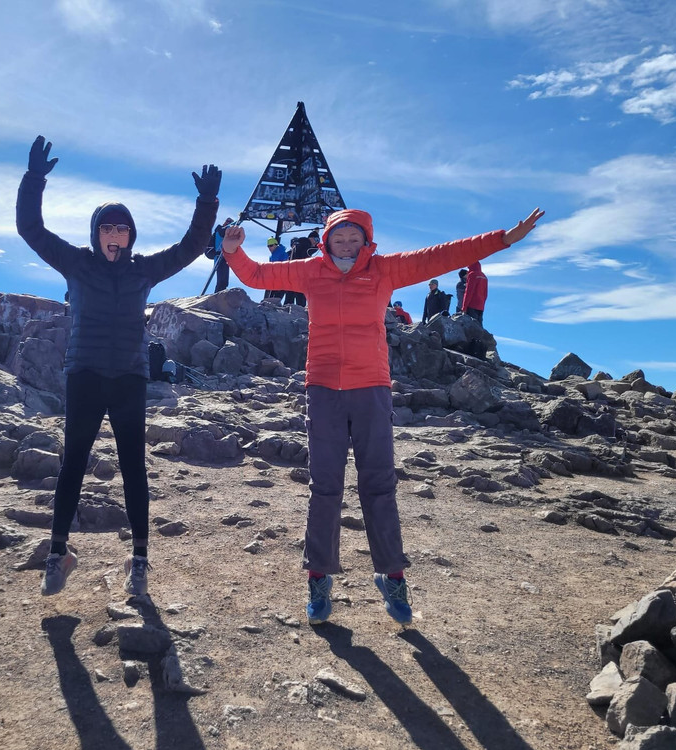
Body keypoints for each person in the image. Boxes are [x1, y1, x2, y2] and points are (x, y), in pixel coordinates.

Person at [220, 206, 544, 625]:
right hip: (323, 390)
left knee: (379, 486)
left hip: (371, 388)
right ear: (326, 240)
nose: (346, 245)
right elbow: (258, 275)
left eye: (354, 238)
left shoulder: (384, 270)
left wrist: (501, 239)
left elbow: (440, 256)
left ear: (366, 241)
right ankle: (318, 578)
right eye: (339, 238)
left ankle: (392, 577)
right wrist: (233, 252)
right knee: (325, 488)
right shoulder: (309, 270)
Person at [16, 135, 220, 597]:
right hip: (85, 374)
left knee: (133, 468)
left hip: (129, 377)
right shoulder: (75, 263)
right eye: (107, 228)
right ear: (96, 234)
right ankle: (58, 554)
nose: (115, 235)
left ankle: (139, 560)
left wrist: (207, 203)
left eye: (122, 229)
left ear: (131, 236)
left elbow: (190, 246)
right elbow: (31, 228)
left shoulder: (143, 270)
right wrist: (34, 179)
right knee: (72, 464)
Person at [205, 217, 235, 293]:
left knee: (224, 279)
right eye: (228, 221)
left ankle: (221, 292)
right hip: (219, 255)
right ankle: (218, 293)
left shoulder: (222, 230)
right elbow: (223, 233)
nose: (228, 223)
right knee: (221, 278)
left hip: (224, 256)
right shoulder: (220, 229)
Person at [263, 237, 289, 303]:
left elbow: (284, 267)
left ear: (276, 245)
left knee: (274, 300)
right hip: (275, 280)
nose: (269, 248)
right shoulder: (272, 256)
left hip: (281, 280)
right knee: (272, 300)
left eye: (271, 245)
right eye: (268, 246)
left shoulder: (282, 254)